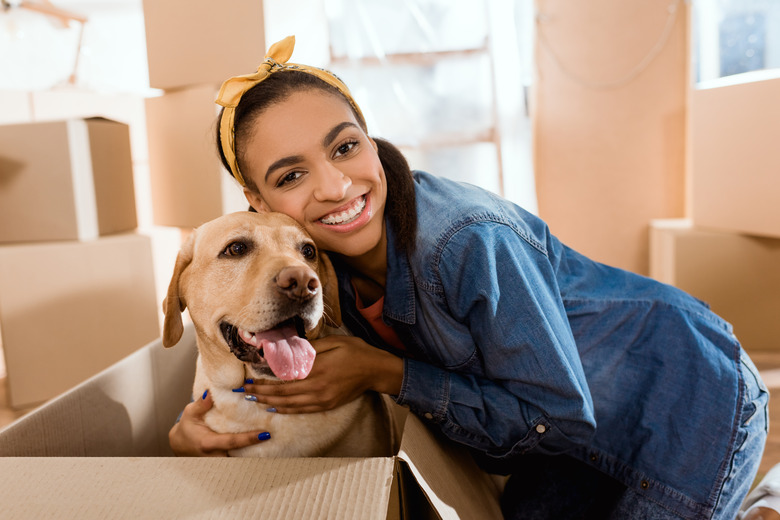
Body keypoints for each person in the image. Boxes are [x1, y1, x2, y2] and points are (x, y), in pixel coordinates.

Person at [169, 35, 768, 519]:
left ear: (372, 145)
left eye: (346, 148)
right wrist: (193, 436)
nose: (333, 186)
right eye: (291, 176)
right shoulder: (311, 264)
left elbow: (553, 416)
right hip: (559, 441)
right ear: (257, 200)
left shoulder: (469, 240)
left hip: (683, 395)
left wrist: (386, 371)